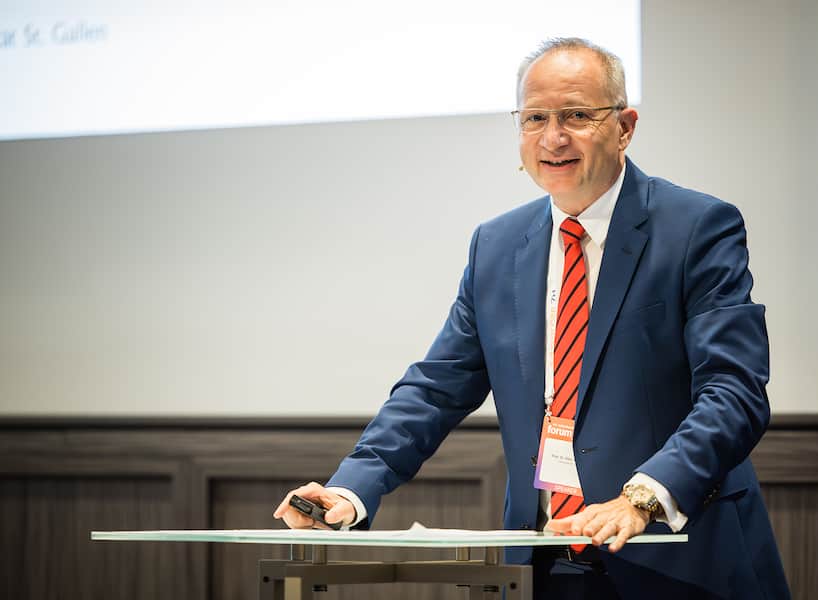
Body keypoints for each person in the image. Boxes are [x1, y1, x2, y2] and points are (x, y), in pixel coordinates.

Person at [273, 38, 790, 599]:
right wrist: (351, 490)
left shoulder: (697, 227)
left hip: (679, 559)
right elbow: (436, 388)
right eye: (535, 118)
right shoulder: (496, 244)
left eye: (576, 116)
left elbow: (734, 391)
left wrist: (642, 497)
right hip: (544, 564)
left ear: (625, 126)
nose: (553, 137)